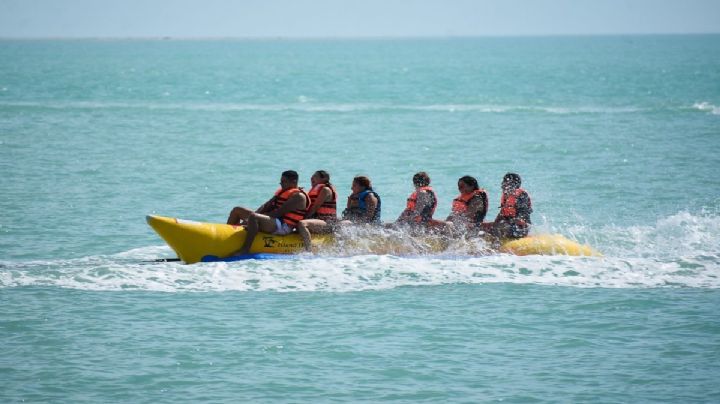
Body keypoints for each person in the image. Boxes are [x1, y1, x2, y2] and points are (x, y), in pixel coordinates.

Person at [226, 170, 309, 255]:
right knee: (237, 210)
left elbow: (278, 213)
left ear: (293, 182)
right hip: (274, 220)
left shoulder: (299, 197)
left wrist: (252, 220)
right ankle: (226, 236)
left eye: (284, 181)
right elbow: (265, 206)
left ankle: (245, 249)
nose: (281, 184)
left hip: (283, 226)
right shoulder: (282, 192)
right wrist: (251, 219)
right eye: (280, 181)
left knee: (254, 217)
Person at [297, 170, 338, 252]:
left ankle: (309, 251)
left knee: (302, 224)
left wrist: (303, 219)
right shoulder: (314, 190)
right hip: (318, 221)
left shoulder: (325, 190)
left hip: (328, 223)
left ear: (324, 179)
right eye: (312, 176)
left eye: (315, 176)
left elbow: (315, 208)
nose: (312, 178)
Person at [486, 172, 533, 239]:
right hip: (508, 225)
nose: (502, 184)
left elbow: (523, 216)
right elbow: (502, 213)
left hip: (521, 228)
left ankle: (496, 247)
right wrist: (494, 223)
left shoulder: (521, 196)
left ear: (513, 184)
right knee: (483, 226)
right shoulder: (506, 196)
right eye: (503, 181)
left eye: (505, 181)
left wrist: (506, 223)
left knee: (499, 227)